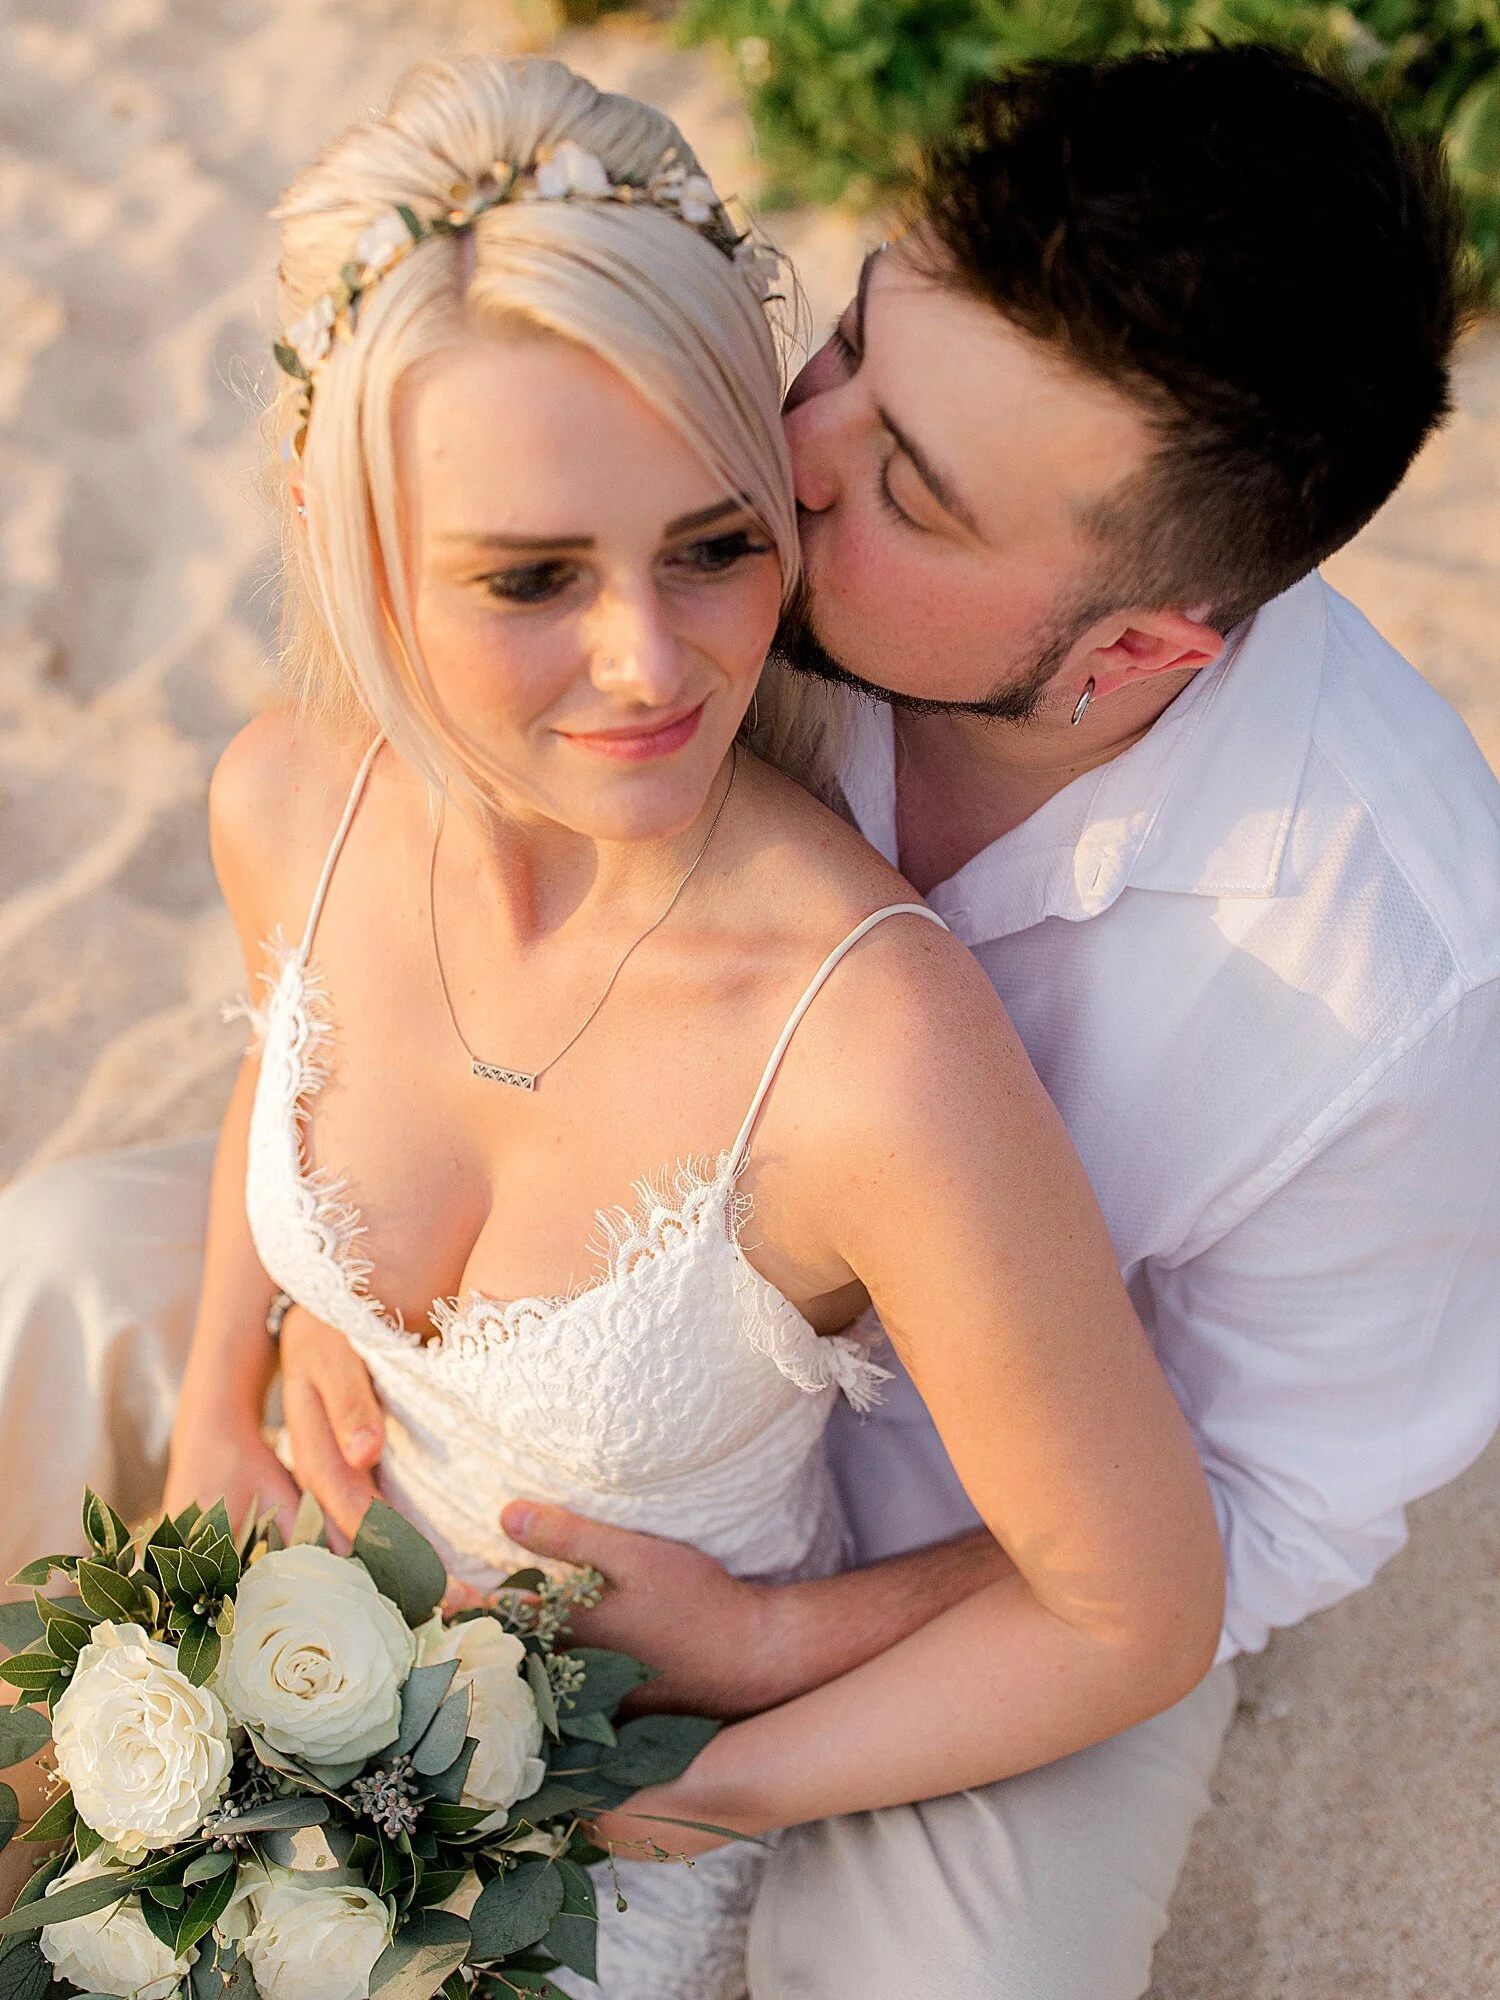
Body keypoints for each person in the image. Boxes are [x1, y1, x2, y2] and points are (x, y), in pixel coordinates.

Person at [2, 40, 1496, 2000]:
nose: (788, 461)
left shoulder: (1388, 981)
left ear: (1133, 649)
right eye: (852, 344)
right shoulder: (701, 567)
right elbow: (330, 962)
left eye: (905, 491)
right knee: (53, 1268)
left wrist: (770, 1660)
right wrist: (282, 1326)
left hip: (984, 1538)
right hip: (512, 1274)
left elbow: (1226, 1535)